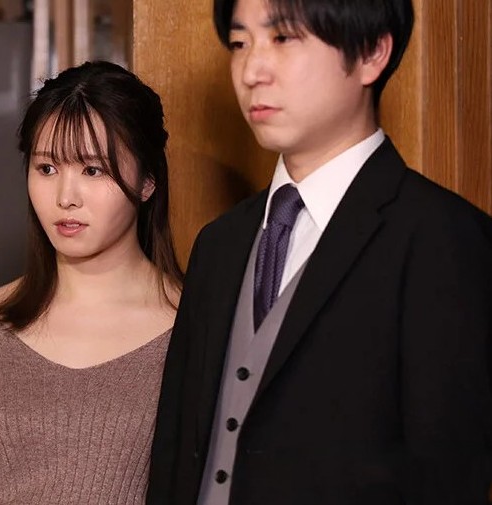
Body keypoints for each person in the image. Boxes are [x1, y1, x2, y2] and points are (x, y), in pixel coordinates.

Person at [147, 0, 492, 504]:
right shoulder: (219, 244)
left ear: (371, 53)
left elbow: (447, 477)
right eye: (240, 43)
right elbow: (176, 452)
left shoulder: (444, 239)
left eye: (283, 38)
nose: (252, 71)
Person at [0, 60, 183, 505]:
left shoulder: (198, 328)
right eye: (46, 168)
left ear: (147, 181)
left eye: (93, 170)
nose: (65, 197)